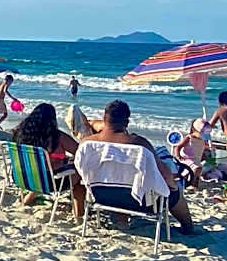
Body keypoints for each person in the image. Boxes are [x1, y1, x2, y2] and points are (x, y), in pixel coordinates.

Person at [84, 100, 197, 235]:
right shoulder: (139, 144)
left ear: (104, 119)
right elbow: (165, 175)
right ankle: (188, 228)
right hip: (139, 202)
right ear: (126, 123)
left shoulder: (87, 143)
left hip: (101, 196)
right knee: (175, 191)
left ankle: (121, 220)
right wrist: (173, 187)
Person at [11, 103, 86, 217]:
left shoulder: (19, 134)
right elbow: (80, 152)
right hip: (48, 183)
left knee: (41, 170)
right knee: (80, 173)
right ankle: (78, 213)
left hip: (22, 177)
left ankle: (27, 199)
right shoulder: (56, 136)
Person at [172, 118, 211, 188]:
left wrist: (204, 155)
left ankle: (194, 184)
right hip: (186, 159)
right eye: (202, 133)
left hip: (196, 160)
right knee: (197, 168)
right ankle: (192, 184)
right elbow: (178, 147)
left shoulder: (202, 140)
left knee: (197, 172)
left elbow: (200, 149)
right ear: (195, 130)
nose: (204, 136)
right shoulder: (189, 138)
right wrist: (178, 156)